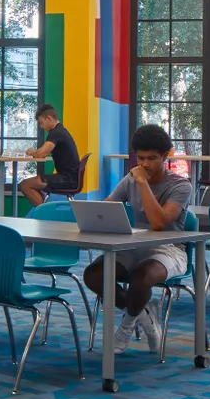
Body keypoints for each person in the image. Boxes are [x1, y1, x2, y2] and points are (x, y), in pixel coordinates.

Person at [82, 123, 193, 355]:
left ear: (165, 156)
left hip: (169, 248)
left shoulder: (181, 186)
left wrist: (142, 183)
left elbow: (159, 223)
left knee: (141, 279)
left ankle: (126, 327)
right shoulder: (130, 180)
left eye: (152, 158)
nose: (144, 164)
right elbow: (107, 207)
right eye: (140, 158)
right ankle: (143, 313)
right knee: (93, 275)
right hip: (133, 245)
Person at [17, 104, 80, 207]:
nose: (41, 126)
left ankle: (44, 213)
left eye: (41, 123)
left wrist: (32, 152)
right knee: (30, 183)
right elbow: (44, 151)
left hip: (66, 179)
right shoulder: (60, 130)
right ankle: (44, 208)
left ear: (49, 118)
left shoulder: (56, 133)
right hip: (70, 177)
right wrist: (36, 152)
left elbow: (41, 154)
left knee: (25, 185)